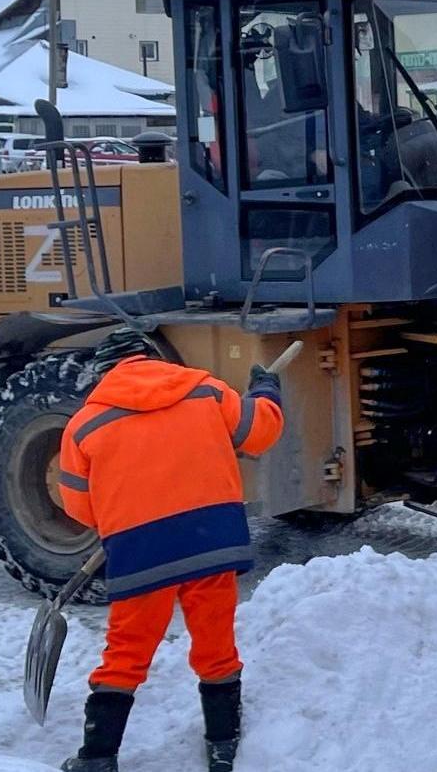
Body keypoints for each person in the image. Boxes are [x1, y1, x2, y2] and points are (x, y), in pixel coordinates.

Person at [56, 328, 283, 772]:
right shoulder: (205, 390)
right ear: (153, 357)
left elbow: (80, 508)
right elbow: (260, 433)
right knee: (216, 646)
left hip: (140, 552)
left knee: (126, 653)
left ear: (104, 374)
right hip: (210, 541)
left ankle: (98, 757)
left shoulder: (84, 426)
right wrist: (265, 390)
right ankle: (222, 748)